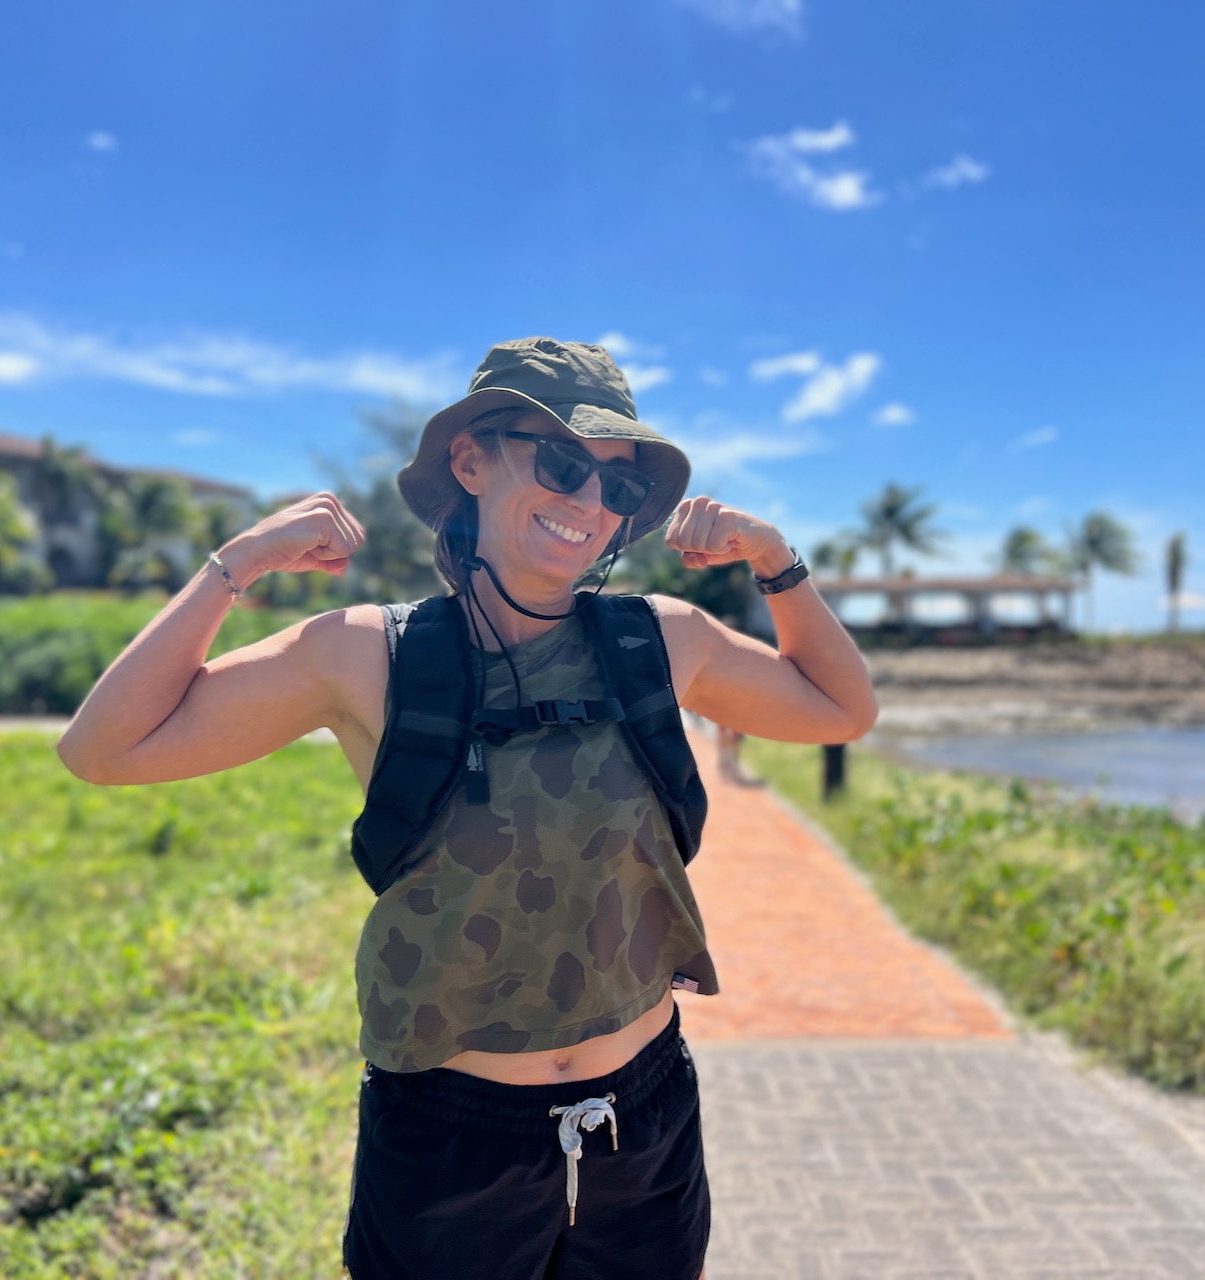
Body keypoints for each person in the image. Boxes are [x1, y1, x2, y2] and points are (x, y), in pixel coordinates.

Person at [58, 337, 877, 1280]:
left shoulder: (663, 639)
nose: (587, 503)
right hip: (451, 1141)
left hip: (643, 1121)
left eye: (616, 486)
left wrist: (777, 563)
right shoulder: (367, 655)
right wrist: (233, 567)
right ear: (470, 460)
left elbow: (842, 709)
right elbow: (102, 750)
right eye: (564, 462)